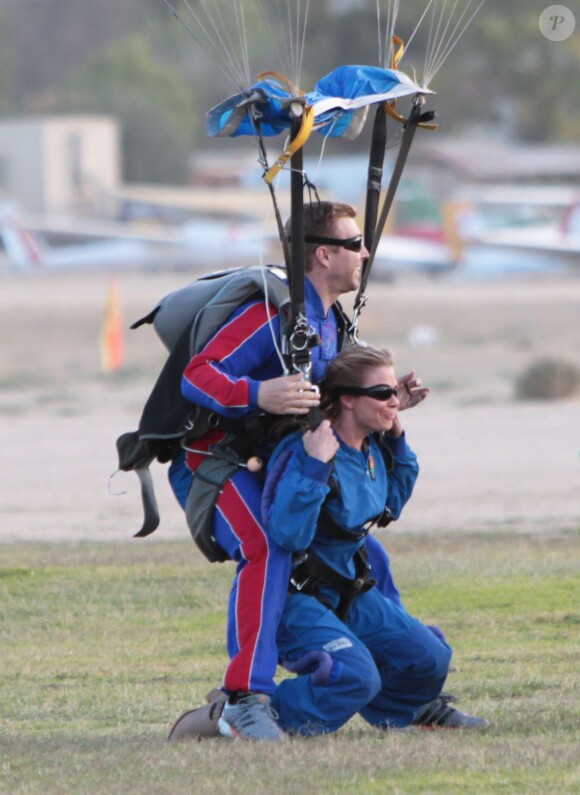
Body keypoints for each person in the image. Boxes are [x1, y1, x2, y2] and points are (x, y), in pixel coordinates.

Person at [168, 200, 428, 741]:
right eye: (355, 243)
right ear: (324, 253)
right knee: (267, 545)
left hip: (274, 460)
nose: (366, 252)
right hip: (217, 461)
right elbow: (198, 376)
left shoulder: (330, 321)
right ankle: (244, 697)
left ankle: (404, 684)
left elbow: (335, 398)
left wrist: (386, 398)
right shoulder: (273, 315)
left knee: (355, 546)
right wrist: (257, 392)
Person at [264, 345, 487, 733]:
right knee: (355, 676)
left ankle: (403, 709)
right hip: (297, 597)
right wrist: (315, 468)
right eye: (382, 394)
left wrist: (396, 434)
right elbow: (288, 533)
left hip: (350, 592)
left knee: (429, 659)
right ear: (347, 400)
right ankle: (252, 714)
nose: (394, 402)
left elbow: (390, 506)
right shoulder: (313, 449)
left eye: (394, 392)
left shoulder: (369, 449)